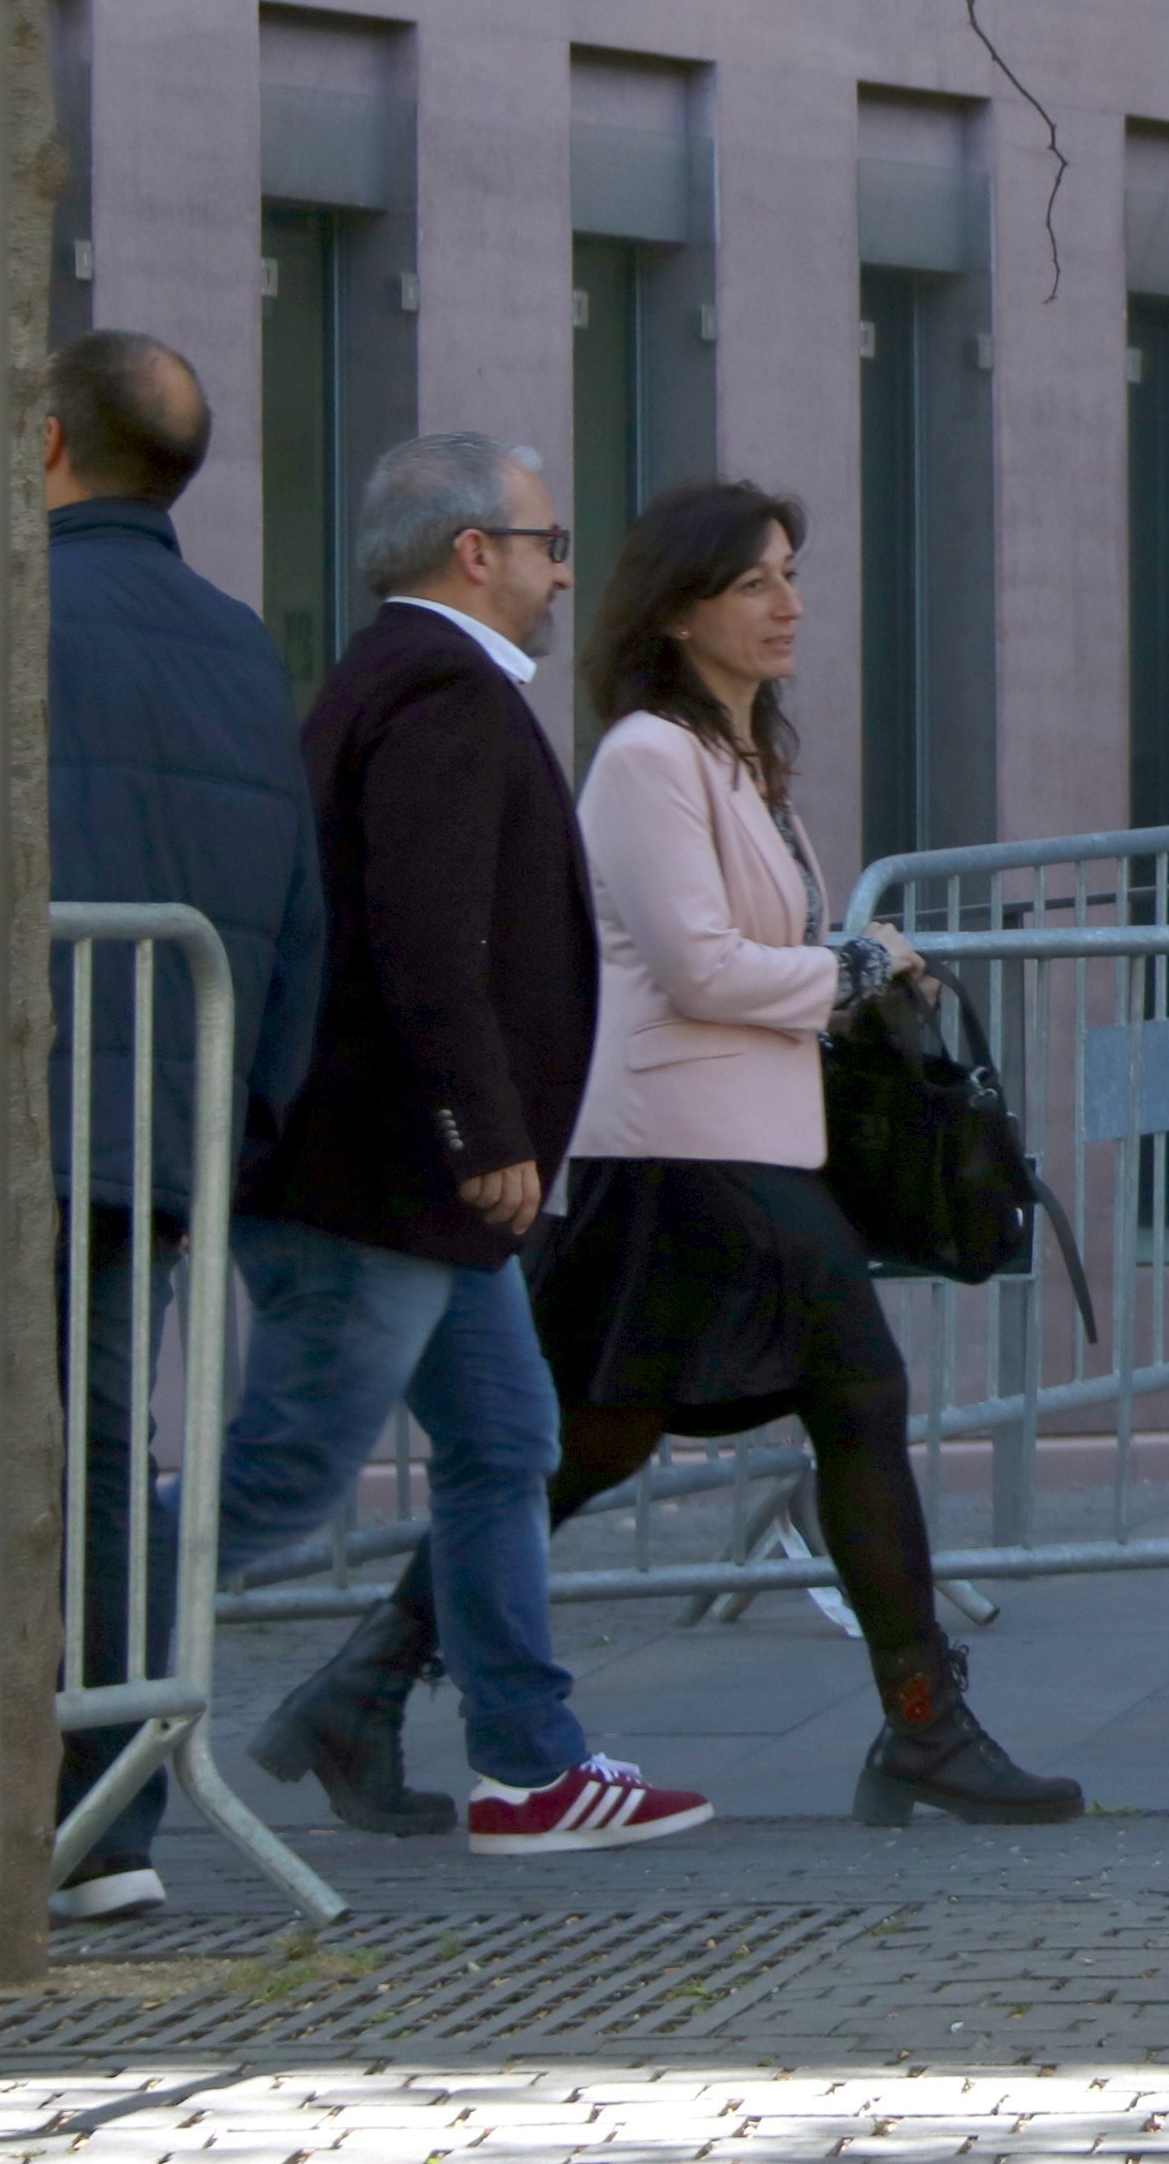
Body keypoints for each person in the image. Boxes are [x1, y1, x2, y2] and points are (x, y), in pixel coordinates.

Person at [508, 479, 1080, 1834]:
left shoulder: (739, 758)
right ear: (681, 604)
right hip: (686, 1144)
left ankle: (365, 1679)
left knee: (601, 1434)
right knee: (853, 1395)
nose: (790, 604)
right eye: (757, 580)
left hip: (750, 1142)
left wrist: (832, 969)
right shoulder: (648, 755)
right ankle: (926, 1723)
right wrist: (861, 961)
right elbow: (701, 965)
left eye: (789, 575)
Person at [235, 435, 706, 1856]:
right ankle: (46, 1635)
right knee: (282, 1476)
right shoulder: (438, 687)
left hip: (419, 1188)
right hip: (388, 1176)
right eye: (549, 541)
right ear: (473, 551)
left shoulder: (412, 681)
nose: (566, 570)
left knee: (509, 1440)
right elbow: (423, 935)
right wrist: (480, 1128)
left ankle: (532, 1764)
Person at [39, 333, 325, 1921]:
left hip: (24, 1106)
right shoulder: (233, 645)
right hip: (160, 1110)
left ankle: (74, 1808)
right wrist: (237, 1115)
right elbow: (299, 907)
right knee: (101, 1450)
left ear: (49, 441)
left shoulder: (11, 608)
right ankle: (111, 1820)